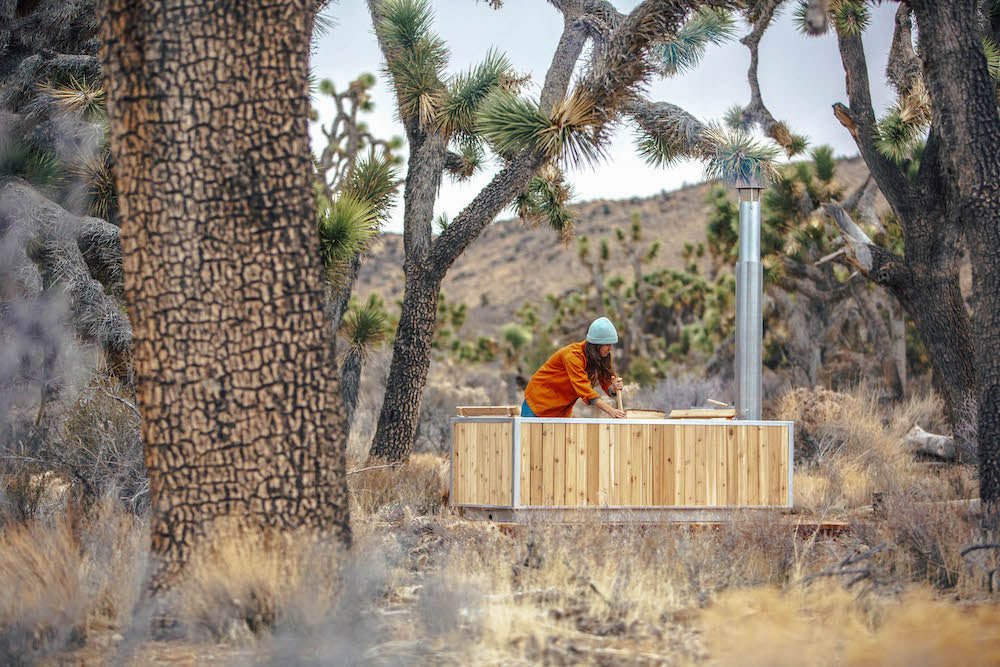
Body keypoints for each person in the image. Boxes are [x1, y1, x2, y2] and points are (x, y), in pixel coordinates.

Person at [521, 317, 626, 418]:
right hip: (538, 404)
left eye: (611, 344)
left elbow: (607, 382)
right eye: (607, 345)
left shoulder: (603, 355)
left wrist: (614, 388)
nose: (610, 348)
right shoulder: (573, 356)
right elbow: (584, 389)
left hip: (561, 410)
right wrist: (611, 410)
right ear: (596, 345)